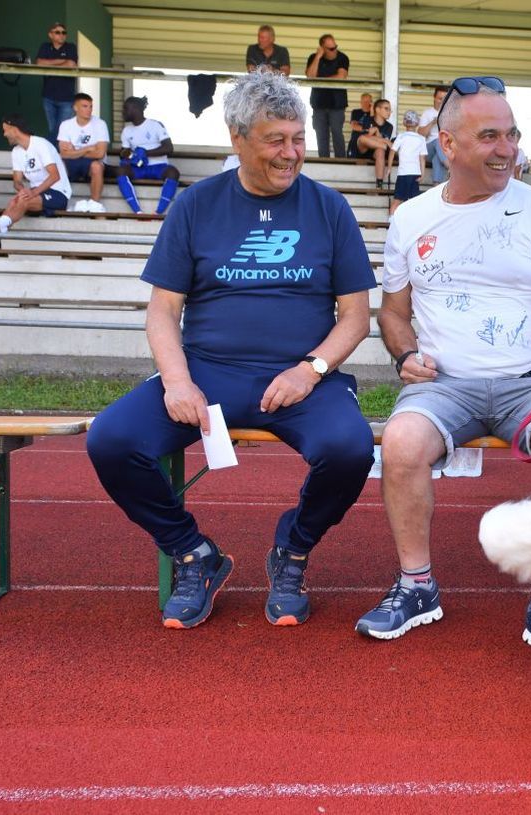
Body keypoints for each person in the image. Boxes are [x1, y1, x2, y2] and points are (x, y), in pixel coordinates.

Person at [85, 70, 376, 630]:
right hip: (207, 373)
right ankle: (194, 555)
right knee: (113, 439)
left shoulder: (330, 208)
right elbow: (163, 311)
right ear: (237, 138)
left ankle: (292, 550)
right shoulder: (196, 206)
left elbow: (355, 318)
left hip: (300, 379)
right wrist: (177, 381)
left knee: (349, 449)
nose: (291, 154)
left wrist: (311, 369)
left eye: (298, 138)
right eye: (276, 141)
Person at [357, 76, 531, 669]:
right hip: (445, 386)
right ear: (447, 144)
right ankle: (417, 587)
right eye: (489, 135)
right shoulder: (411, 217)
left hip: (529, 382)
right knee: (403, 440)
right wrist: (405, 353)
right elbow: (391, 311)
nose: (506, 148)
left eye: (512, 134)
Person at [0, 114, 71, 243]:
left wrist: (33, 192)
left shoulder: (40, 144)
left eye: (5, 130)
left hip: (58, 193)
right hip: (38, 192)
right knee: (17, 199)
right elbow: (17, 181)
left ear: (14, 129)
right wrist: (22, 190)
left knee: (24, 200)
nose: (4, 134)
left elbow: (55, 176)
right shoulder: (16, 151)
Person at [117, 96, 181, 215]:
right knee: (121, 170)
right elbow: (124, 153)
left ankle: (159, 211)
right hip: (138, 168)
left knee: (173, 172)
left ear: (135, 109)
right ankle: (137, 211)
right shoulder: (127, 130)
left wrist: (146, 153)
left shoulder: (155, 125)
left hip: (158, 166)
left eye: (125, 109)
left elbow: (169, 148)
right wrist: (132, 155)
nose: (123, 112)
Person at [57, 92, 109, 213]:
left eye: (91, 106)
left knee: (97, 166)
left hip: (91, 163)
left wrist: (74, 151)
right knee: (56, 165)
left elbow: (100, 154)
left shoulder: (100, 124)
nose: (89, 110)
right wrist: (87, 148)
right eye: (85, 106)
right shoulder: (66, 125)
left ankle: (95, 205)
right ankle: (60, 204)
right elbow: (64, 154)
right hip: (72, 163)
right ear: (75, 108)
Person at [305, 34, 349, 158]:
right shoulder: (313, 58)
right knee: (321, 134)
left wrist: (320, 80)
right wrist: (318, 57)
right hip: (318, 103)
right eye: (330, 48)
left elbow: (341, 76)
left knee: (337, 132)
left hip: (337, 104)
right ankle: (323, 160)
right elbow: (310, 76)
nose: (334, 50)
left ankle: (341, 160)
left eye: (335, 47)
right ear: (322, 48)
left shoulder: (342, 58)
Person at [35, 22, 77, 145]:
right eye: (58, 32)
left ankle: (47, 149)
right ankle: (56, 156)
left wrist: (50, 63)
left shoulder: (71, 47)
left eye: (64, 32)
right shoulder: (45, 47)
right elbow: (39, 63)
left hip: (67, 98)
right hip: (48, 96)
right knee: (54, 130)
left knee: (60, 131)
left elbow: (71, 64)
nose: (62, 35)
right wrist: (61, 61)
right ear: (50, 35)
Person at [388, 109, 426, 216]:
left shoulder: (401, 137)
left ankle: (391, 220)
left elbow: (392, 151)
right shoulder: (421, 139)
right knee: (413, 201)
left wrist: (389, 168)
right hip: (415, 173)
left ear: (404, 123)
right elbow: (422, 158)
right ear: (417, 123)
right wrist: (423, 174)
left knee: (398, 199)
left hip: (403, 173)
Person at [355, 98, 394, 187]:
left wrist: (376, 133)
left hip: (376, 151)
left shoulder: (389, 126)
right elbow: (365, 137)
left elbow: (374, 138)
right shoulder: (367, 120)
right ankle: (383, 145)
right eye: (386, 109)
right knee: (362, 138)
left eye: (390, 110)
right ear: (377, 109)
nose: (389, 112)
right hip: (364, 149)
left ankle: (379, 183)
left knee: (380, 150)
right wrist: (384, 140)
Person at [416, 86, 450, 184]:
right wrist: (433, 122)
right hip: (427, 150)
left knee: (437, 158)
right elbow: (421, 134)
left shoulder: (450, 114)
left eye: (444, 99)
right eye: (440, 98)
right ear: (434, 97)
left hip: (443, 152)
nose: (441, 101)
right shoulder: (427, 113)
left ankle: (436, 185)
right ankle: (450, 168)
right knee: (438, 141)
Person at [347, 93, 373, 159]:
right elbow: (354, 127)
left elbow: (374, 126)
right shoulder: (355, 112)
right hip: (354, 142)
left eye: (368, 101)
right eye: (363, 101)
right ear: (360, 102)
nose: (365, 103)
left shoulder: (374, 114)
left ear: (371, 103)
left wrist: (372, 111)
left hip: (368, 143)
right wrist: (367, 129)